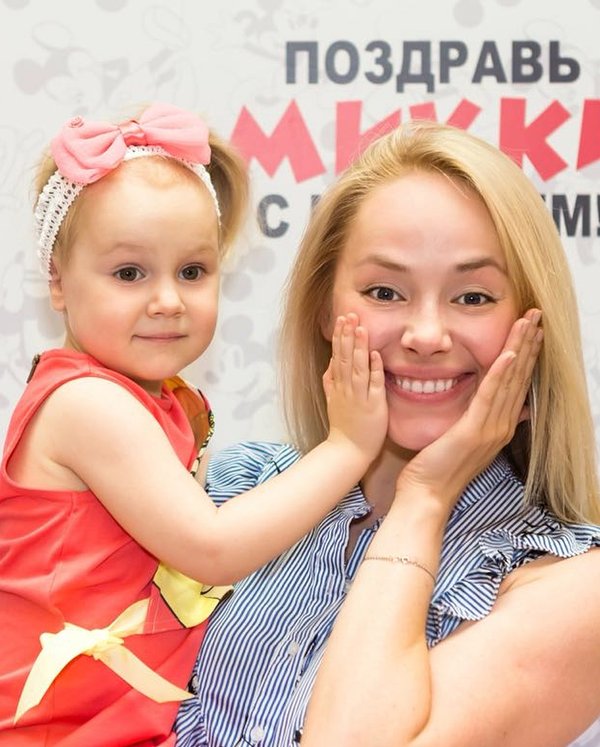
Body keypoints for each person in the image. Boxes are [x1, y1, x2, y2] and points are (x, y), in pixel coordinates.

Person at [175, 120, 600, 747]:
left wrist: (424, 499)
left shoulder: (572, 588)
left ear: (534, 326)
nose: (426, 335)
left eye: (473, 297)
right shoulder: (228, 492)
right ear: (324, 309)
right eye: (384, 291)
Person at [0, 102, 389, 746]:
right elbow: (212, 550)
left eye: (193, 271)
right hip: (53, 729)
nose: (168, 300)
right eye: (129, 273)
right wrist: (347, 447)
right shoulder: (86, 404)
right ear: (58, 283)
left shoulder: (168, 401)